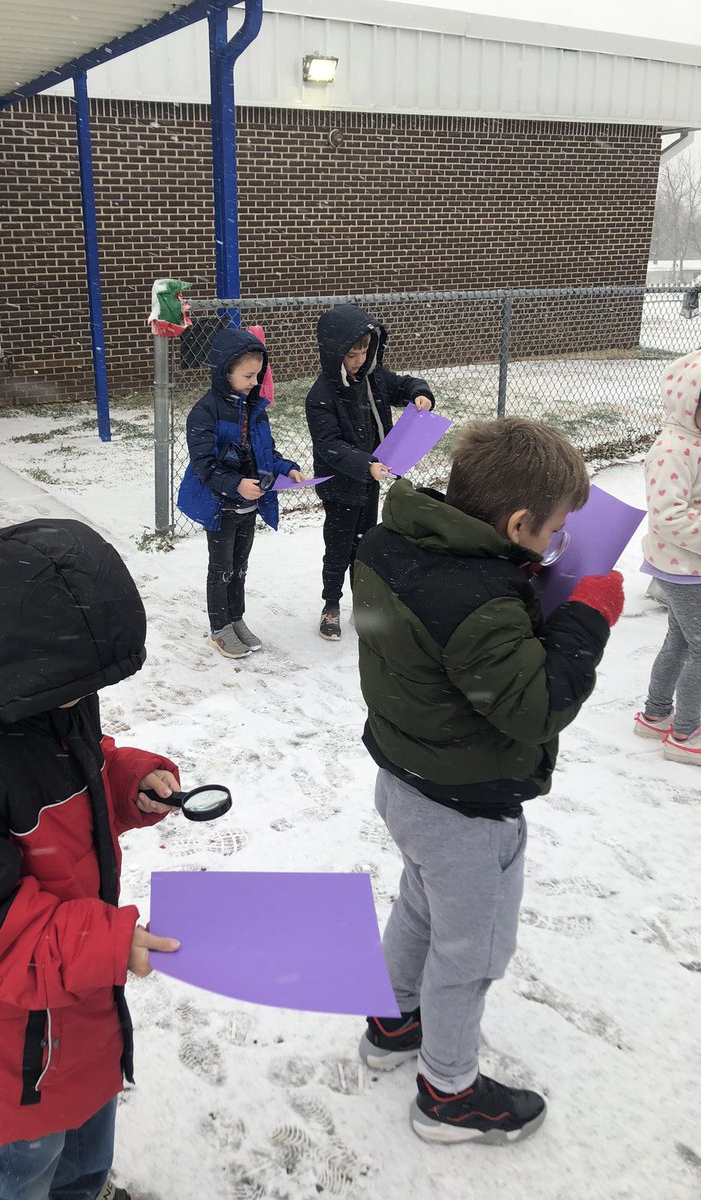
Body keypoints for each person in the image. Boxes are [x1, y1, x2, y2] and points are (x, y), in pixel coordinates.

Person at [352, 418, 623, 1144]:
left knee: (418, 906)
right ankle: (448, 1094)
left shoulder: (395, 541)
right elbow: (536, 706)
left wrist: (515, 576)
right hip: (466, 809)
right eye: (556, 530)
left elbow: (442, 629)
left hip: (404, 779)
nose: (559, 542)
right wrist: (586, 621)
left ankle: (391, 1021)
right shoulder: (481, 602)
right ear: (517, 522)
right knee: (469, 953)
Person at [0, 518, 181, 1200]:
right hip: (14, 1037)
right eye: (77, 684)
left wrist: (129, 785)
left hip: (76, 1003)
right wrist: (108, 943)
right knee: (24, 1165)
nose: (86, 699)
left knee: (89, 1140)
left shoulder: (54, 700)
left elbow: (83, 774)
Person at [305, 304, 435, 641]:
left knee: (365, 545)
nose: (359, 359)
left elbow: (404, 384)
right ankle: (330, 605)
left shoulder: (374, 379)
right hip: (341, 485)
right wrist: (365, 464)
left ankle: (362, 604)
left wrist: (419, 395)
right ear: (334, 353)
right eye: (351, 354)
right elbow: (329, 445)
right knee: (338, 546)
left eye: (364, 351)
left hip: (370, 481)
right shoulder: (322, 395)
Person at [177, 327, 304, 659]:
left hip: (251, 504)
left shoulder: (255, 409)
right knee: (221, 568)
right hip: (221, 506)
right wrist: (235, 484)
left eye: (257, 376)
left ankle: (236, 619)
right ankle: (220, 628)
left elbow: (267, 454)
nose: (253, 382)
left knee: (240, 567)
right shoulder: (205, 412)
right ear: (225, 372)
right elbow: (204, 465)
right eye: (247, 375)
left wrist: (286, 468)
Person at [633, 350, 701, 764]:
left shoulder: (694, 443)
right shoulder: (673, 449)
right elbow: (668, 515)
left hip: (688, 566)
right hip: (683, 567)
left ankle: (656, 715)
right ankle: (687, 732)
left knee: (679, 639)